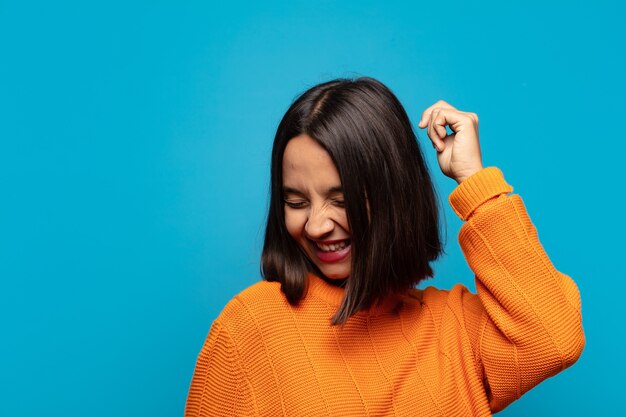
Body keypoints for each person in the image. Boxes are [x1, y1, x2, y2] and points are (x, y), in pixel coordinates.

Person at [184, 77, 585, 416]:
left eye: (343, 200)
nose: (318, 225)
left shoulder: (455, 333)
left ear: (394, 196)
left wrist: (474, 183)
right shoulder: (250, 329)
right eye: (296, 202)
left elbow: (553, 338)